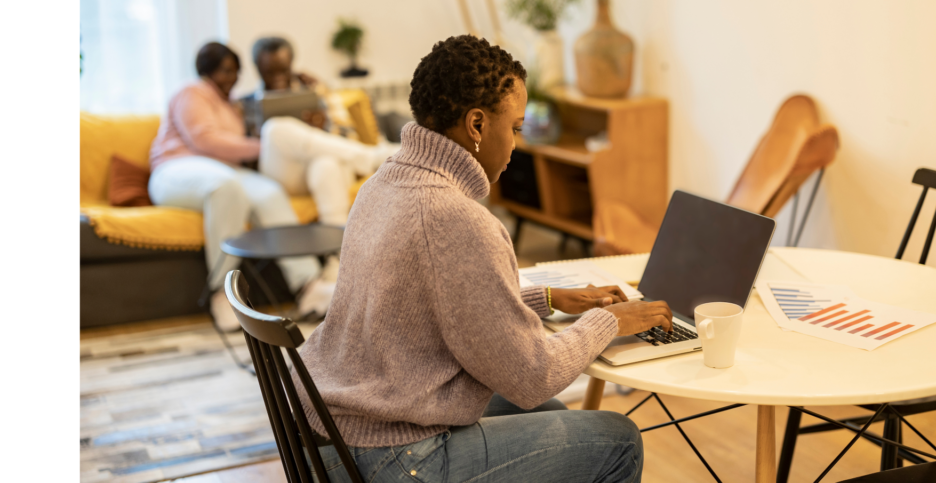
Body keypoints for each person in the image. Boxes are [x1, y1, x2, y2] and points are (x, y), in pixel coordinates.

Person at [294, 35, 674, 483]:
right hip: (391, 456)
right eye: (514, 128)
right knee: (619, 440)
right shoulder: (455, 218)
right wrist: (613, 321)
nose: (515, 145)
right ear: (477, 125)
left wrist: (548, 298)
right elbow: (533, 375)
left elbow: (433, 302)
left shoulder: (382, 185)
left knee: (546, 411)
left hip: (330, 430)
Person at [148, 42, 326, 330]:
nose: (232, 78)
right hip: (176, 169)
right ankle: (223, 294)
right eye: (225, 71)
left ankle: (309, 286)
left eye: (236, 71)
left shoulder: (232, 105)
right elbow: (204, 141)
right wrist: (262, 147)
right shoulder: (191, 93)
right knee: (225, 187)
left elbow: (265, 109)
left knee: (270, 192)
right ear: (206, 71)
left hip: (226, 171)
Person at [244, 36, 399, 229]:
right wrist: (263, 140)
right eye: (269, 72)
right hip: (284, 173)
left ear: (292, 63)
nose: (278, 77)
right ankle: (371, 156)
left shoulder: (315, 91)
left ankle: (338, 252)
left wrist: (323, 126)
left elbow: (347, 134)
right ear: (256, 67)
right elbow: (242, 156)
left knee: (326, 165)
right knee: (275, 128)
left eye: (284, 70)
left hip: (318, 165)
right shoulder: (246, 104)